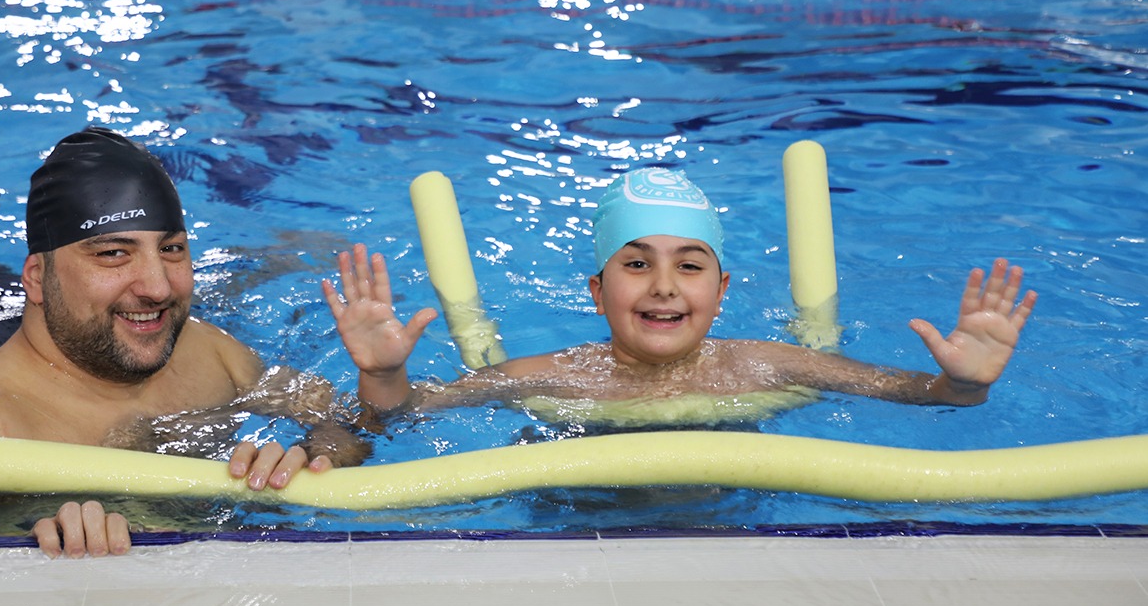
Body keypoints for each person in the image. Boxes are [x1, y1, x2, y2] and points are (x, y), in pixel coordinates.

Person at [0, 126, 367, 557]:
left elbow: (347, 422)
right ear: (38, 278)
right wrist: (25, 543)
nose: (159, 288)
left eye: (171, 250)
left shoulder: (209, 351)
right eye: (113, 254)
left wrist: (319, 452)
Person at [323, 167, 1037, 424]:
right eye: (637, 263)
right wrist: (385, 373)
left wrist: (960, 382)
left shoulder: (767, 364)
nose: (664, 284)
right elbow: (406, 417)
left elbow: (911, 392)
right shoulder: (552, 376)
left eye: (690, 266)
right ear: (598, 292)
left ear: (720, 291)